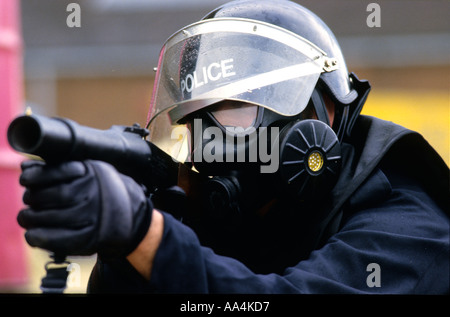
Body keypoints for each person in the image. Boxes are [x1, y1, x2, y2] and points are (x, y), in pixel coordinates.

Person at [17, 0, 449, 294]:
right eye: (199, 117)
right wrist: (122, 251)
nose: (213, 138)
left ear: (325, 117)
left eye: (238, 110)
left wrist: (146, 236)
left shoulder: (410, 225)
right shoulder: (239, 215)